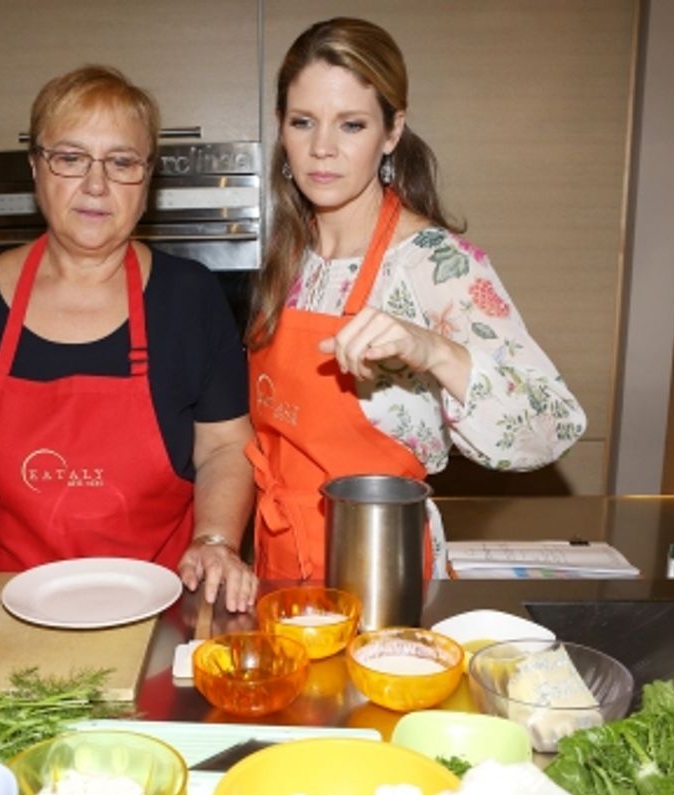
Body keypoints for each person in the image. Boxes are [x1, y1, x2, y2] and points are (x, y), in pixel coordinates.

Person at [0, 65, 257, 611]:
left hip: (160, 605)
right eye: (71, 158)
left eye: (121, 162)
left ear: (147, 180)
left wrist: (215, 539)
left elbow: (225, 444)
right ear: (36, 167)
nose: (96, 185)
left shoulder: (189, 297)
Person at [248, 18, 587, 582]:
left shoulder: (435, 264)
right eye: (302, 122)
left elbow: (552, 426)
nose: (322, 149)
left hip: (382, 570)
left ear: (391, 131)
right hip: (280, 560)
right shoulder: (290, 257)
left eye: (351, 125)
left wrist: (433, 350)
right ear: (281, 128)